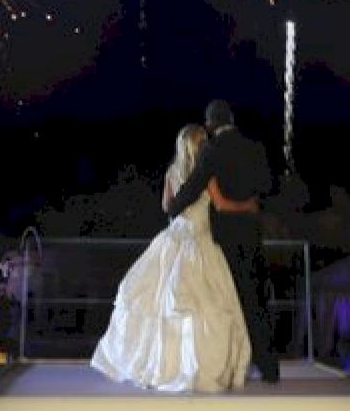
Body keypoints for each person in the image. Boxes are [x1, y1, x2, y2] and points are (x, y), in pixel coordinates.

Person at [89, 121, 260, 393]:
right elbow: (221, 205)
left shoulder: (171, 172)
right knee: (204, 304)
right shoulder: (206, 174)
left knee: (162, 303)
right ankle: (195, 366)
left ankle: (161, 366)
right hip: (199, 240)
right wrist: (248, 205)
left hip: (173, 238)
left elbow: (166, 206)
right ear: (199, 146)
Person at [165, 100, 278, 383]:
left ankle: (229, 362)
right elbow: (267, 185)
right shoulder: (255, 147)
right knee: (256, 298)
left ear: (211, 124)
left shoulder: (212, 150)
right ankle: (269, 367)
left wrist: (173, 207)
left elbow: (194, 186)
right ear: (232, 119)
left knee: (230, 299)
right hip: (251, 231)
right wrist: (251, 201)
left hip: (225, 236)